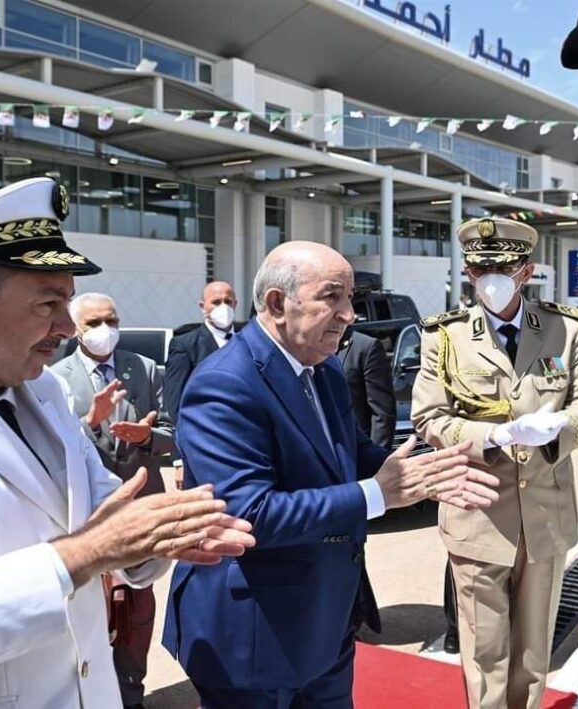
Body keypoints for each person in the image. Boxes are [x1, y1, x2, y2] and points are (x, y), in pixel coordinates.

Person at [0, 177, 254, 709]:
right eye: (48, 303)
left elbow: (101, 515)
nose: (67, 328)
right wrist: (85, 554)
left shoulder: (42, 390)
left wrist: (150, 540)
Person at [162, 241, 499, 709]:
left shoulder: (324, 371)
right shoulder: (225, 383)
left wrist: (430, 468)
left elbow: (351, 453)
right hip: (255, 633)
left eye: (351, 298)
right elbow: (249, 513)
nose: (350, 313)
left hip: (329, 621)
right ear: (279, 304)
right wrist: (375, 495)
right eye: (333, 297)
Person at [412, 217, 578, 709]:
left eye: (505, 267)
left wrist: (561, 428)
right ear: (469, 273)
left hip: (545, 512)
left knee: (534, 648)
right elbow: (428, 417)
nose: (491, 278)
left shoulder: (564, 329)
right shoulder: (445, 336)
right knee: (485, 649)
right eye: (480, 268)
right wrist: (493, 434)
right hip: (477, 514)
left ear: (528, 270)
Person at [51, 292, 175, 709]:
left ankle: (132, 690)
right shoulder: (55, 378)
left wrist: (148, 437)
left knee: (138, 610)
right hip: (89, 514)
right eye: (94, 323)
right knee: (96, 612)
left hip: (140, 503)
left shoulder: (144, 369)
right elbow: (54, 448)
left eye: (112, 319)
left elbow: (174, 433)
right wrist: (91, 424)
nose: (106, 330)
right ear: (76, 329)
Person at [164, 280, 238, 489]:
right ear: (202, 306)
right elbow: (176, 405)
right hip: (204, 449)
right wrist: (180, 459)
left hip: (243, 447)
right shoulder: (186, 344)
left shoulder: (246, 341)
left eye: (228, 301)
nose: (223, 307)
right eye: (216, 302)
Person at [337, 326, 396, 448]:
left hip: (358, 451)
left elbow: (382, 413)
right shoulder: (307, 348)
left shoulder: (365, 347)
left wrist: (377, 458)